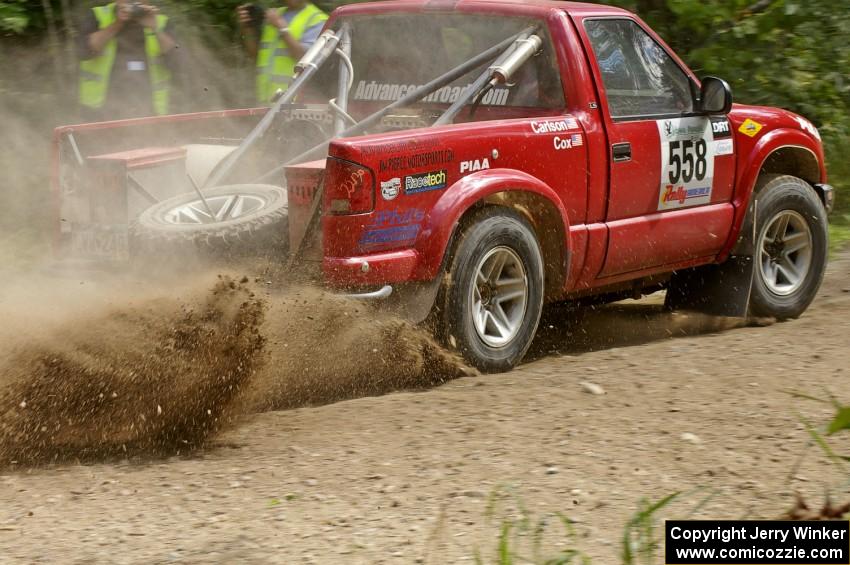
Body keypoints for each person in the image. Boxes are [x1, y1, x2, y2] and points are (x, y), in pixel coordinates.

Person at [78, 1, 179, 120]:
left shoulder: (161, 21)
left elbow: (176, 62)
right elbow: (85, 51)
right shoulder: (98, 15)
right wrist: (118, 22)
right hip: (100, 111)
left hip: (150, 111)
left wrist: (155, 29)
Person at [237, 1, 328, 104]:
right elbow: (256, 56)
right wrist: (247, 29)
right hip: (264, 103)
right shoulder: (274, 15)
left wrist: (282, 27)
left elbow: (304, 58)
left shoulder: (317, 19)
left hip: (293, 106)